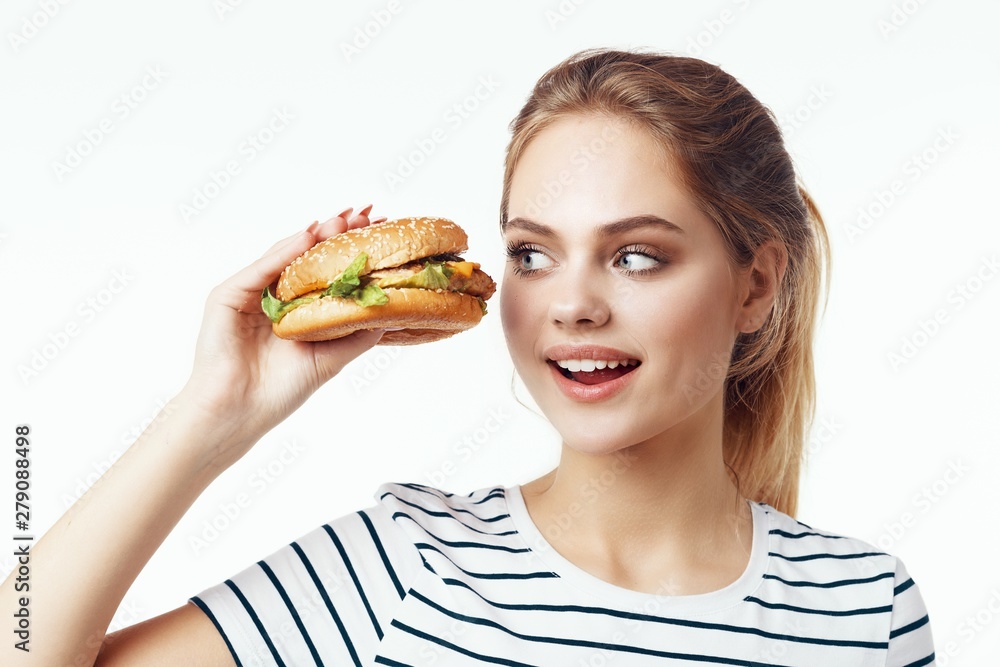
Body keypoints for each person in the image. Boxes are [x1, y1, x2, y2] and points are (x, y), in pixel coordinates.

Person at [2, 48, 935, 666]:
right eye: (533, 252)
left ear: (755, 286)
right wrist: (213, 414)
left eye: (637, 254)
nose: (571, 304)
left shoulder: (867, 609)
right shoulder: (406, 562)